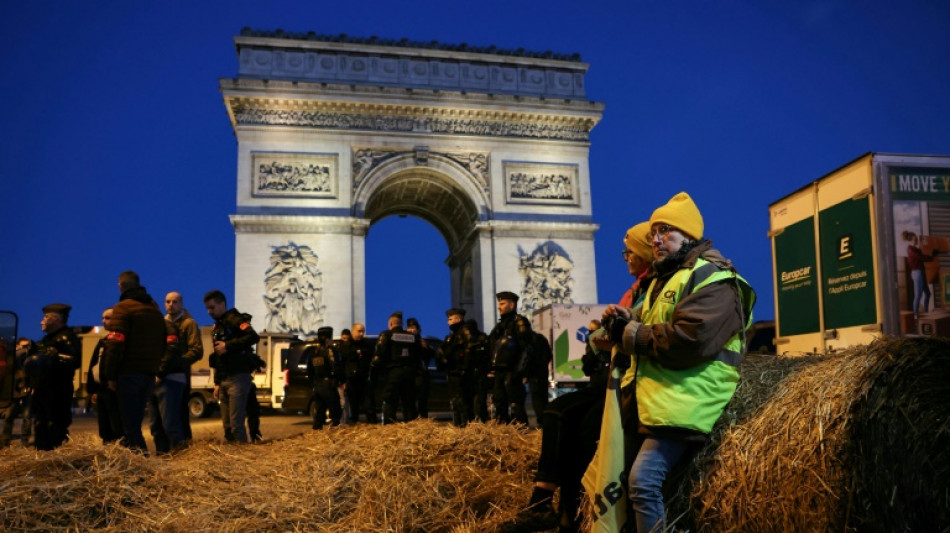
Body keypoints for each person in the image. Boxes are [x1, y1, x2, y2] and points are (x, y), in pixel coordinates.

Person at [603, 192, 755, 533]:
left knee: (643, 481)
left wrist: (632, 335)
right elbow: (652, 321)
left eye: (666, 230)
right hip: (662, 397)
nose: (655, 239)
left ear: (689, 235)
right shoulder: (665, 278)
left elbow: (692, 339)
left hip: (691, 396)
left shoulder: (715, 278)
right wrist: (626, 317)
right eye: (654, 231)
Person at [501, 222, 654, 533]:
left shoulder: (650, 290)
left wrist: (610, 335)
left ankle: (558, 508)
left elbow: (619, 335)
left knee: (576, 424)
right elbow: (603, 336)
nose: (625, 257)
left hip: (632, 380)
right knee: (560, 414)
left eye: (630, 251)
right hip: (613, 376)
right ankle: (556, 507)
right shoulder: (635, 291)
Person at [102, 272, 166, 453]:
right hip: (148, 375)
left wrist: (110, 375)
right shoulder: (154, 309)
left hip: (128, 374)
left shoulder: (123, 308)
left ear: (121, 286)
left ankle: (142, 464)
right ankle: (140, 463)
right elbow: (162, 341)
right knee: (135, 423)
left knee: (129, 427)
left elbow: (115, 344)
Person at [204, 289, 260, 443]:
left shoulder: (234, 319)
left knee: (236, 425)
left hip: (238, 378)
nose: (209, 311)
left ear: (222, 304)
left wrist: (228, 345)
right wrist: (216, 383)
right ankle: (231, 459)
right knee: (227, 427)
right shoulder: (217, 327)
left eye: (212, 307)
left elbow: (253, 336)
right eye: (207, 308)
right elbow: (217, 358)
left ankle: (243, 458)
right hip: (224, 380)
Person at [164, 291, 203, 441]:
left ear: (181, 304)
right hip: (164, 375)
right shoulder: (163, 323)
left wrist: (178, 364)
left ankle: (184, 448)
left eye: (174, 302)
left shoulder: (188, 324)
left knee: (180, 415)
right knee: (166, 417)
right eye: (168, 301)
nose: (170, 305)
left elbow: (197, 350)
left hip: (180, 377)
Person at [372, 311, 423, 423]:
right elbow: (419, 355)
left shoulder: (386, 335)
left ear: (390, 324)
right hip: (410, 374)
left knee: (390, 402)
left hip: (393, 374)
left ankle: (389, 429)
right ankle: (411, 429)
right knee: (409, 403)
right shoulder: (412, 337)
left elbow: (379, 355)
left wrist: (375, 373)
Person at [488, 291, 531, 425]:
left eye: (502, 303)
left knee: (515, 406)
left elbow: (527, 349)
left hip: (513, 372)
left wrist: (519, 372)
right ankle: (503, 436)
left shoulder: (520, 323)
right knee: (499, 404)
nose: (499, 307)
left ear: (512, 305)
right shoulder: (499, 327)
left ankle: (520, 436)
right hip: (499, 373)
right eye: (499, 304)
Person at [86, 309, 123, 443]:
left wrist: (112, 380)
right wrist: (93, 389)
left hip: (112, 388)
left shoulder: (120, 339)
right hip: (101, 388)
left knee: (116, 425)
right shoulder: (104, 341)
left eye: (108, 318)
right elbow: (94, 364)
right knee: (104, 426)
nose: (104, 321)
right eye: (103, 318)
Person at [436, 308, 474, 426]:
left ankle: (465, 425)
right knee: (455, 402)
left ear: (458, 319)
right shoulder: (451, 336)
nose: (448, 322)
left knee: (463, 402)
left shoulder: (465, 332)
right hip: (453, 372)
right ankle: (458, 425)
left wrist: (464, 368)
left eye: (450, 319)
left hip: (462, 373)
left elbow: (470, 351)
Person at [0, 337, 34, 448]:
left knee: (27, 416)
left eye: (27, 346)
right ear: (17, 346)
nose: (26, 349)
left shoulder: (31, 359)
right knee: (9, 416)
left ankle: (24, 442)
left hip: (26, 390)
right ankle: (5, 441)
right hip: (13, 390)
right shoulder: (11, 357)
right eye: (23, 346)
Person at [306, 326, 342, 429]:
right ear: (327, 338)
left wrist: (313, 383)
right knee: (335, 411)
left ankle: (317, 432)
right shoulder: (331, 351)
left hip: (317, 385)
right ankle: (336, 431)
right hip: (329, 385)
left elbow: (309, 370)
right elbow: (336, 367)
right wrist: (338, 380)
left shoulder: (313, 352)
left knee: (319, 412)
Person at [902, 230, 941, 320]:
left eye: (916, 239)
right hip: (917, 273)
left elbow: (923, 256)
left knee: (927, 294)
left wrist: (932, 254)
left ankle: (926, 312)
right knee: (918, 295)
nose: (916, 241)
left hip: (920, 272)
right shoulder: (911, 250)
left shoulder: (916, 249)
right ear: (911, 239)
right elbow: (922, 258)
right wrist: (932, 256)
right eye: (915, 239)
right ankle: (915, 315)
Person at [350, 323, 379, 423]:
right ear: (352, 331)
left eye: (363, 331)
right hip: (352, 380)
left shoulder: (368, 344)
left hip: (365, 379)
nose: (361, 333)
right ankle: (354, 423)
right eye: (359, 331)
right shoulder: (347, 345)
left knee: (369, 404)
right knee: (353, 405)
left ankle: (372, 423)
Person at [465, 318, 491, 422]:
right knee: (470, 400)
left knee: (480, 400)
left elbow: (485, 353)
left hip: (480, 372)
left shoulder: (482, 338)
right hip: (469, 373)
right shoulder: (465, 338)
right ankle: (473, 421)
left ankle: (483, 420)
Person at [406, 317, 432, 419]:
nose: (411, 330)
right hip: (409, 375)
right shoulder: (404, 341)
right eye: (409, 327)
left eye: (413, 327)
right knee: (410, 402)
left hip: (420, 375)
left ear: (418, 329)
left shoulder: (422, 342)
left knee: (422, 402)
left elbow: (429, 356)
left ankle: (422, 420)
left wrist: (424, 347)